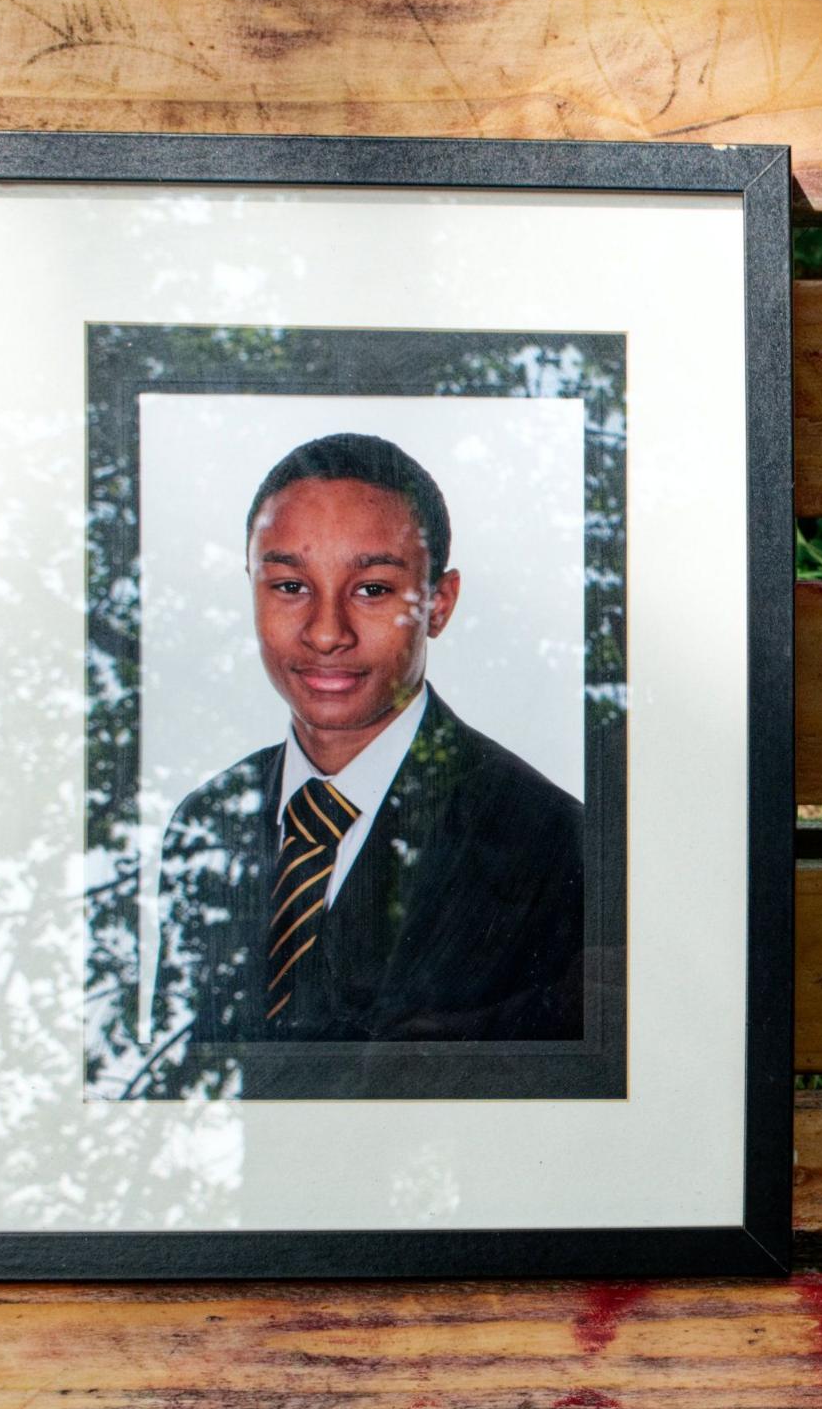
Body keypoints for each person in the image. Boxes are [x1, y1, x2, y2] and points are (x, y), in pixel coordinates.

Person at [151, 432, 585, 1052]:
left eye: (373, 589)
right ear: (251, 588)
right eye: (290, 587)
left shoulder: (550, 845)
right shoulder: (206, 822)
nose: (326, 634)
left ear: (438, 603)